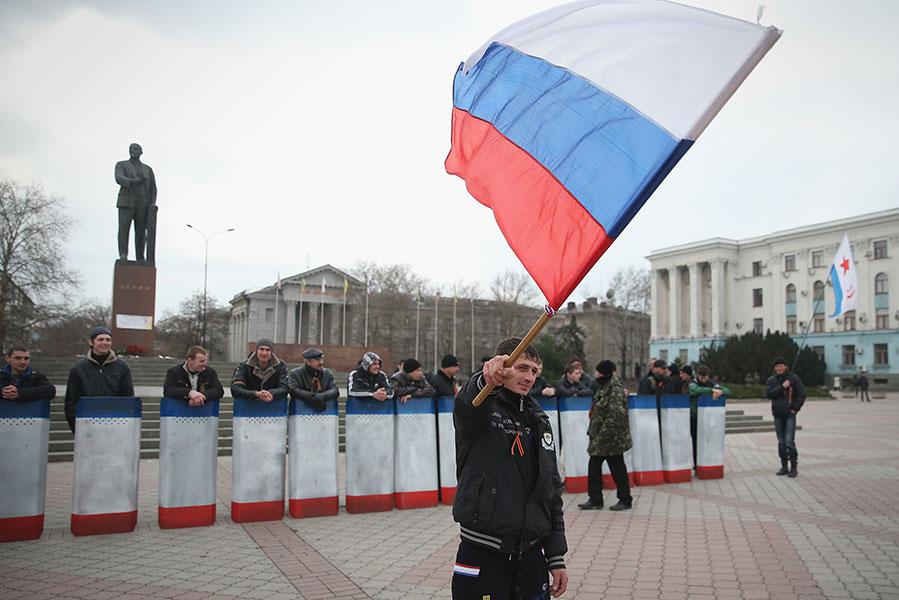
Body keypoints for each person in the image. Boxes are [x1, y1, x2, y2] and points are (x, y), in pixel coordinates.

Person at [452, 338, 568, 598]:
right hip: (483, 552)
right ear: (504, 365)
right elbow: (468, 405)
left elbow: (549, 491)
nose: (530, 377)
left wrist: (556, 555)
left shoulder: (540, 420)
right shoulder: (482, 406)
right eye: (522, 367)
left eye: (535, 371)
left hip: (531, 556)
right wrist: (486, 379)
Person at [579, 359, 632, 512]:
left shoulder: (614, 388)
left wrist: (601, 436)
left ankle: (625, 499)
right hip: (602, 437)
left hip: (612, 438)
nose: (596, 375)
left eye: (598, 372)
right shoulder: (605, 386)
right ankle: (595, 499)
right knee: (595, 466)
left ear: (605, 373)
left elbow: (615, 416)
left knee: (617, 469)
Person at [64, 326, 134, 432]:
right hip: (86, 424)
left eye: (108, 340)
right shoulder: (78, 369)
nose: (105, 342)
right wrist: (76, 428)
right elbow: (71, 401)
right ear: (91, 342)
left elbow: (127, 398)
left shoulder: (122, 367)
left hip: (114, 424)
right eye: (100, 339)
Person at [115, 143, 157, 262]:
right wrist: (134, 182)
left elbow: (153, 189)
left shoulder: (147, 170)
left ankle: (140, 256)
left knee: (141, 232)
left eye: (136, 149)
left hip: (143, 204)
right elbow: (119, 178)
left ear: (141, 152)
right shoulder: (122, 165)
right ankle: (123, 254)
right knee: (124, 229)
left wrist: (152, 203)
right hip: (126, 201)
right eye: (131, 149)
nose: (133, 150)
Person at [765, 357, 806, 478]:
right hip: (777, 414)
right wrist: (782, 387)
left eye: (781, 366)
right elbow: (769, 394)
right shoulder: (771, 380)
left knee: (789, 441)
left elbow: (802, 395)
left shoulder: (794, 378)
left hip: (789, 414)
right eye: (777, 366)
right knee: (781, 442)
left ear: (786, 367)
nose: (779, 368)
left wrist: (795, 409)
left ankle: (793, 467)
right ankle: (784, 466)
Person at [685, 365, 730, 470]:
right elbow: (694, 391)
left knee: (708, 440)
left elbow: (728, 391)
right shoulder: (693, 383)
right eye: (701, 377)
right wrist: (713, 391)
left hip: (708, 418)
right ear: (697, 375)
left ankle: (707, 462)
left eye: (705, 377)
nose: (703, 379)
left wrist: (721, 391)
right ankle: (697, 465)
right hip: (695, 416)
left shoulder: (713, 384)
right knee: (696, 441)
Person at [230, 338, 289, 403]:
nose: (264, 353)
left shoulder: (281, 366)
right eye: (261, 349)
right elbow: (235, 389)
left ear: (271, 352)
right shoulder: (244, 366)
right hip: (248, 407)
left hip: (273, 407)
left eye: (267, 350)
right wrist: (255, 394)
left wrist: (271, 393)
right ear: (256, 351)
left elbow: (284, 388)